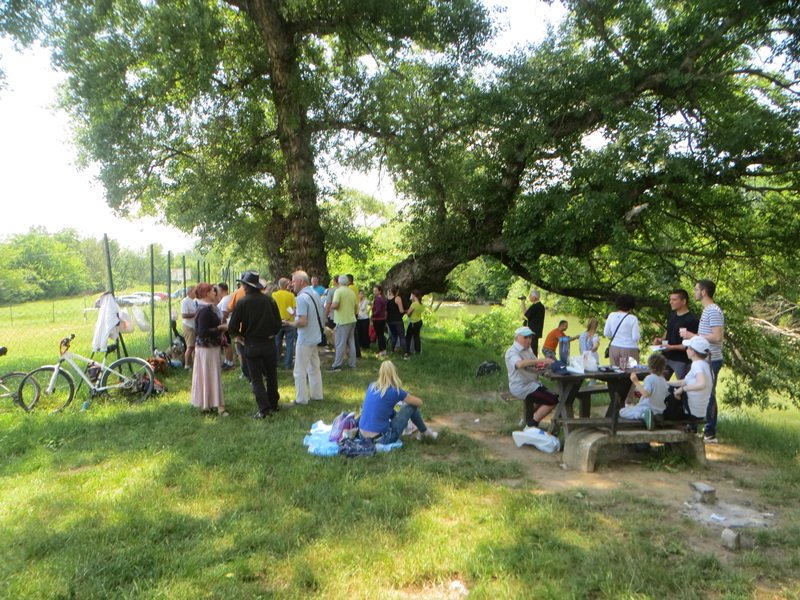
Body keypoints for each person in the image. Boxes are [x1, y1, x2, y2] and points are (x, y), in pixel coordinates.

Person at [228, 271, 283, 418]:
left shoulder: (243, 302)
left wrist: (240, 337)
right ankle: (273, 403)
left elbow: (232, 326)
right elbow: (278, 324)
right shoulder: (270, 300)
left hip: (251, 343)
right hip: (269, 343)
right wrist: (272, 333)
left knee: (256, 378)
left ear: (246, 286)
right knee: (271, 375)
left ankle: (264, 409)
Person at [680, 279, 724, 443]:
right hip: (703, 358)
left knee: (709, 394)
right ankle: (694, 425)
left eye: (696, 289)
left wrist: (693, 336)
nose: (694, 292)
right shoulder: (708, 310)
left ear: (703, 292)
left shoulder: (713, 311)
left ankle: (710, 432)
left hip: (711, 359)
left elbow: (717, 337)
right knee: (698, 391)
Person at [357, 360, 438, 443]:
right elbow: (419, 402)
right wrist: (405, 398)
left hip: (362, 435)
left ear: (380, 373)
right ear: (394, 373)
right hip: (383, 438)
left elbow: (384, 407)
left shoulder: (372, 386)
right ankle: (425, 432)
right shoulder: (395, 391)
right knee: (411, 406)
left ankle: (408, 427)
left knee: (384, 408)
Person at [504, 326, 558, 430]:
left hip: (532, 384)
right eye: (525, 337)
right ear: (517, 338)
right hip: (521, 387)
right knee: (553, 400)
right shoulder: (512, 352)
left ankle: (526, 418)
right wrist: (541, 360)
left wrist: (545, 366)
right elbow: (520, 364)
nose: (529, 340)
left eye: (530, 337)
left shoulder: (528, 349)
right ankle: (531, 425)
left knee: (551, 395)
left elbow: (535, 364)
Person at [287, 270, 324, 405]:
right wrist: (297, 314)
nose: (292, 284)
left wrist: (290, 323)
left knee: (299, 370)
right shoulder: (314, 294)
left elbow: (303, 321)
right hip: (315, 335)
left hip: (305, 338)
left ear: (301, 281)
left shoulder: (301, 298)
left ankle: (301, 399)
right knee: (314, 368)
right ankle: (317, 395)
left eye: (293, 281)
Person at [191, 283, 228, 416]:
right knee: (212, 375)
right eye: (213, 291)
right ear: (206, 293)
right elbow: (202, 332)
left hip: (207, 348)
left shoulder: (206, 307)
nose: (215, 293)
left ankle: (207, 404)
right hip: (207, 348)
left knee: (207, 375)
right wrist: (219, 328)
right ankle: (219, 406)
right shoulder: (205, 310)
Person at [656, 289, 699, 380]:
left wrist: (671, 347)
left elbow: (690, 343)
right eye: (670, 299)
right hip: (666, 357)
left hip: (681, 360)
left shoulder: (692, 320)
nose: (670, 302)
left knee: (682, 385)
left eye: (674, 300)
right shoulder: (672, 315)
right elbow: (669, 331)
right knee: (659, 381)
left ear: (683, 301)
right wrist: (660, 340)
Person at [669, 337, 713, 424]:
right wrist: (666, 382)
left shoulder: (697, 365)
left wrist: (683, 389)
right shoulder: (705, 364)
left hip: (691, 412)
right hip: (699, 413)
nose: (686, 350)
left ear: (693, 352)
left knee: (666, 393)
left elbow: (701, 384)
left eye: (688, 348)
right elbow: (683, 381)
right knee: (667, 387)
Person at [623, 353, 669, 430]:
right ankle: (653, 416)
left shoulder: (649, 378)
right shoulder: (663, 380)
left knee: (622, 411)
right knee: (632, 407)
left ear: (650, 366)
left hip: (646, 408)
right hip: (659, 410)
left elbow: (646, 394)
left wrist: (635, 381)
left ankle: (644, 416)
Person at [329, 274, 357, 371]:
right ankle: (352, 364)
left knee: (340, 343)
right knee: (351, 342)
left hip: (342, 320)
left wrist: (330, 306)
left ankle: (337, 365)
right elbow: (355, 306)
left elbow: (335, 305)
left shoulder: (338, 291)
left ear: (339, 282)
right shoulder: (351, 292)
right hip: (352, 319)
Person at [604, 294, 640, 367]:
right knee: (631, 371)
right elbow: (635, 337)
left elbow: (606, 333)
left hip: (614, 347)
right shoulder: (633, 318)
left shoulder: (611, 315)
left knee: (616, 371)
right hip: (629, 348)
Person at [272, 277, 297, 369]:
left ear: (279, 285)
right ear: (287, 285)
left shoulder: (274, 295)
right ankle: (288, 364)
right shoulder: (291, 295)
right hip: (289, 321)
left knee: (276, 343)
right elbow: (294, 310)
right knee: (290, 343)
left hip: (277, 322)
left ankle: (275, 362)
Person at [215, 282, 236, 370]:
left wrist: (222, 325)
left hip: (225, 323)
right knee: (226, 343)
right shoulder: (227, 298)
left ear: (222, 290)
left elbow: (224, 314)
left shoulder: (225, 300)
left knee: (227, 343)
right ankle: (227, 361)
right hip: (227, 323)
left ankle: (230, 362)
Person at [520, 289, 545, 354]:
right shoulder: (541, 306)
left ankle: (533, 360)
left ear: (534, 297)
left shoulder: (535, 306)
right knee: (534, 349)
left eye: (530, 295)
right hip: (537, 332)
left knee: (532, 350)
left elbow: (525, 314)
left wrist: (522, 302)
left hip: (532, 332)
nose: (529, 297)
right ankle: (534, 359)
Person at [180, 285, 198, 369]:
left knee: (194, 346)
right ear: (189, 292)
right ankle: (187, 365)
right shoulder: (185, 301)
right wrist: (196, 314)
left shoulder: (194, 301)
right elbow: (184, 315)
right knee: (190, 346)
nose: (196, 292)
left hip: (194, 326)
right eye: (194, 291)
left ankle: (195, 364)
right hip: (188, 326)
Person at [404, 290, 425, 359]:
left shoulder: (414, 304)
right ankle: (417, 351)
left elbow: (408, 314)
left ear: (414, 295)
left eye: (411, 295)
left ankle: (407, 352)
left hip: (413, 322)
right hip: (419, 322)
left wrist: (407, 311)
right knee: (416, 337)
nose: (410, 296)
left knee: (408, 337)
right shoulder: (421, 304)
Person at [386, 285, 406, 353]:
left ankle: (392, 351)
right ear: (397, 291)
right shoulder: (397, 298)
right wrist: (406, 311)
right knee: (401, 336)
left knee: (394, 335)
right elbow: (401, 311)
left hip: (389, 321)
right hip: (397, 320)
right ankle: (405, 354)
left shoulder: (387, 299)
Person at [371, 285, 388, 356]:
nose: (374, 292)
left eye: (376, 291)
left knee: (379, 335)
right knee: (381, 334)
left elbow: (377, 310)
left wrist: (372, 315)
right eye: (374, 291)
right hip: (382, 319)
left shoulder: (377, 299)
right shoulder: (383, 299)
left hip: (377, 319)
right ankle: (384, 350)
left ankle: (381, 350)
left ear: (379, 291)